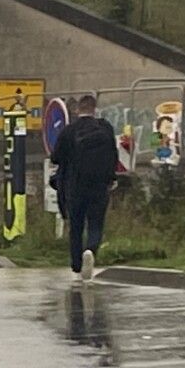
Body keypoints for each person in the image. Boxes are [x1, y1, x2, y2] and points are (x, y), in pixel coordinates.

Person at [50, 94, 118, 281]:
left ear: (77, 109)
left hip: (75, 185)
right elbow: (113, 154)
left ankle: (77, 266)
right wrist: (111, 178)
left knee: (76, 225)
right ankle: (91, 250)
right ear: (94, 109)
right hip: (100, 185)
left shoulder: (69, 131)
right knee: (96, 223)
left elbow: (56, 157)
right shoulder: (105, 129)